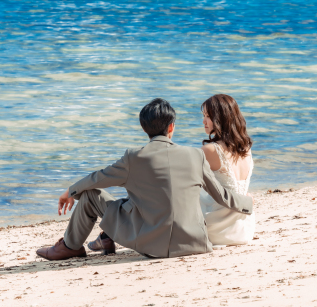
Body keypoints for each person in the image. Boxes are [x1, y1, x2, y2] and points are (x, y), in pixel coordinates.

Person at [35, 98, 253, 260]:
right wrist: (249, 204)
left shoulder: (133, 157)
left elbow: (98, 178)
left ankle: (70, 246)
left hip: (153, 246)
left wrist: (71, 191)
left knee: (92, 195)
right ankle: (103, 239)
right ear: (171, 127)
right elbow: (222, 195)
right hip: (195, 242)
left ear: (143, 128)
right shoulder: (195, 155)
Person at [199, 94, 255, 245]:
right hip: (244, 229)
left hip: (217, 231)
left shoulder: (209, 150)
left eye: (208, 116)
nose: (204, 121)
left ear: (220, 119)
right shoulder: (246, 149)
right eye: (204, 116)